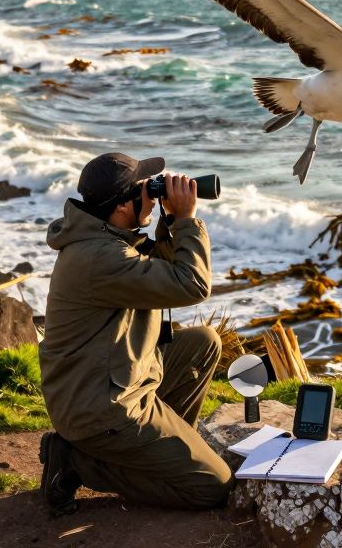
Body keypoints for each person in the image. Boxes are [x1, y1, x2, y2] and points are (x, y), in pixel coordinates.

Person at [37, 151, 233, 514]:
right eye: (144, 186)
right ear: (124, 206)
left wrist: (169, 221)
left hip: (108, 380)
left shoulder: (106, 236)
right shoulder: (101, 257)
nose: (152, 190)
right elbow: (190, 285)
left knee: (203, 343)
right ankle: (75, 462)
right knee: (213, 487)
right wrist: (186, 220)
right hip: (100, 409)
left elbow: (157, 269)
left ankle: (160, 453)